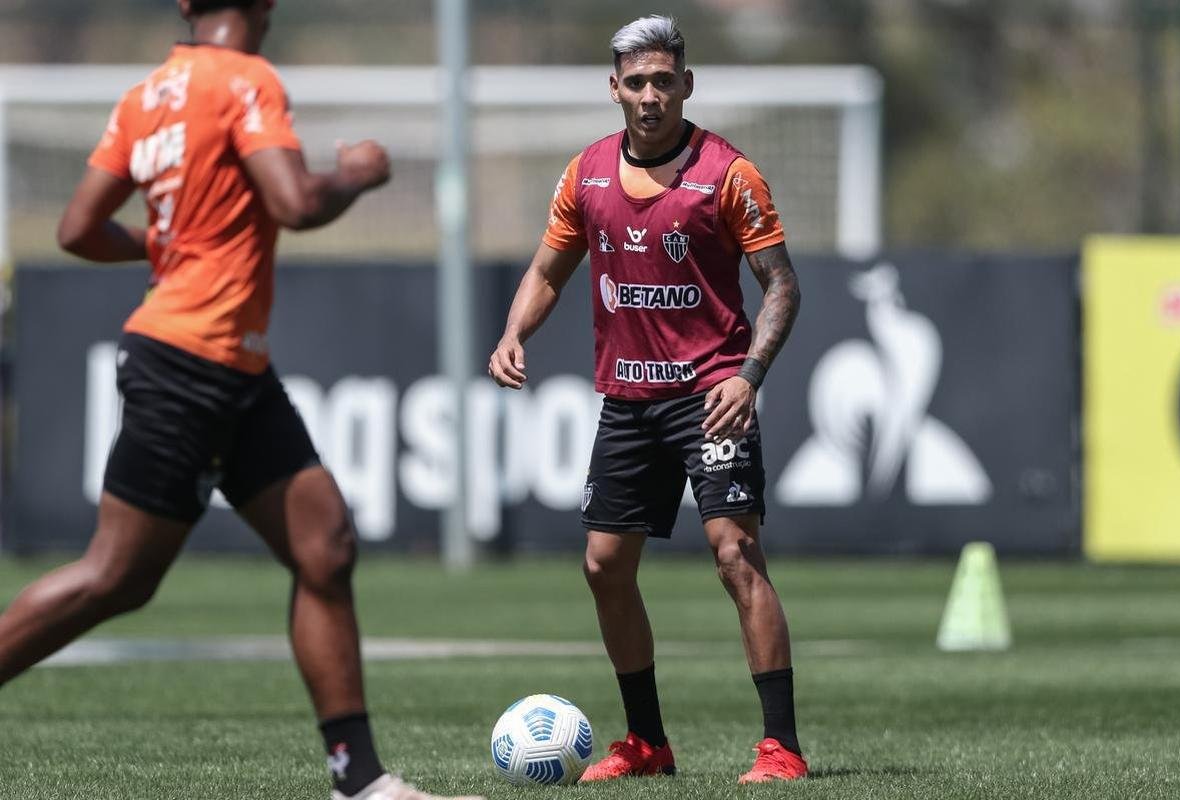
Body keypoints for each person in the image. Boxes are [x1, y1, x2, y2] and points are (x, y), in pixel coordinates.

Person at [0, 3, 481, 800]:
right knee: (114, 577)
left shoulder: (147, 94)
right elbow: (295, 203)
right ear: (266, 6)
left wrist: (162, 248)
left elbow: (79, 229)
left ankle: (357, 780)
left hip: (227, 367)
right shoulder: (247, 78)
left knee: (324, 544)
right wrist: (358, 173)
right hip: (189, 363)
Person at [487, 14, 806, 785]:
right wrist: (512, 331)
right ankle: (646, 743)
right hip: (626, 400)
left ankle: (781, 748)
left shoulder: (728, 174)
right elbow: (547, 270)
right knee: (603, 567)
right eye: (636, 83)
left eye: (665, 81)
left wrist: (749, 375)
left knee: (735, 555)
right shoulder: (586, 173)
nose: (651, 96)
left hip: (710, 397)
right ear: (615, 90)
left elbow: (783, 286)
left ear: (687, 85)